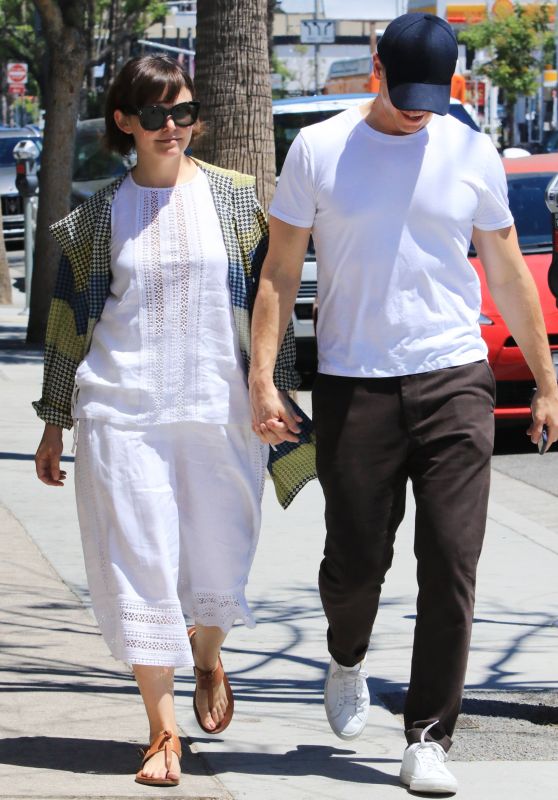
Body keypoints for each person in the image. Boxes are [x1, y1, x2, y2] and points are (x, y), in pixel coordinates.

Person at [249, 12, 558, 796]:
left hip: (454, 377)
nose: (418, 110)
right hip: (356, 383)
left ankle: (428, 735)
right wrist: (263, 376)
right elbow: (280, 273)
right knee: (355, 565)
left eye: (433, 95)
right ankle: (346, 655)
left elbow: (508, 268)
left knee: (451, 562)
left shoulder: (469, 148)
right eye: (404, 91)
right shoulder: (319, 148)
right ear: (375, 67)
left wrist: (546, 377)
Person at [33, 55, 314, 787]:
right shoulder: (97, 217)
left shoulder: (234, 198)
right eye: (155, 116)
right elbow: (69, 324)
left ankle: (208, 649)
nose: (172, 128)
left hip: (219, 416)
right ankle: (162, 732)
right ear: (125, 121)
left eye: (184, 114)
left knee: (221, 559)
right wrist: (55, 420)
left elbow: (267, 302)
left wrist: (271, 389)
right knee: (142, 567)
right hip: (121, 417)